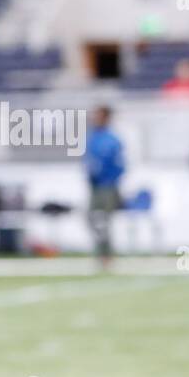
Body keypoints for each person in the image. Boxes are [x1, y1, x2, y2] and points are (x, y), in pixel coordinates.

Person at [85, 105, 125, 269]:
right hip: (94, 187)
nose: (95, 119)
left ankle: (106, 256)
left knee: (104, 221)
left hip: (107, 187)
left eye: (99, 115)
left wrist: (109, 179)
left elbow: (120, 166)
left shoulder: (112, 140)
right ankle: (101, 252)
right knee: (92, 218)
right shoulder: (92, 138)